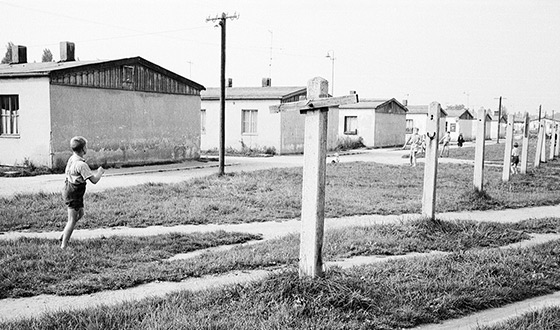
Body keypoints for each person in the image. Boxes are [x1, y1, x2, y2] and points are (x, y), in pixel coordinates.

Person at [60, 136, 105, 249]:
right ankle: (63, 245)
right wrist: (99, 172)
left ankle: (64, 234)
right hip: (74, 193)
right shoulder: (81, 165)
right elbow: (94, 180)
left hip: (70, 189)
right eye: (86, 147)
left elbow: (67, 172)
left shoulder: (72, 159)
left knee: (80, 214)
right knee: (72, 220)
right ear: (83, 149)